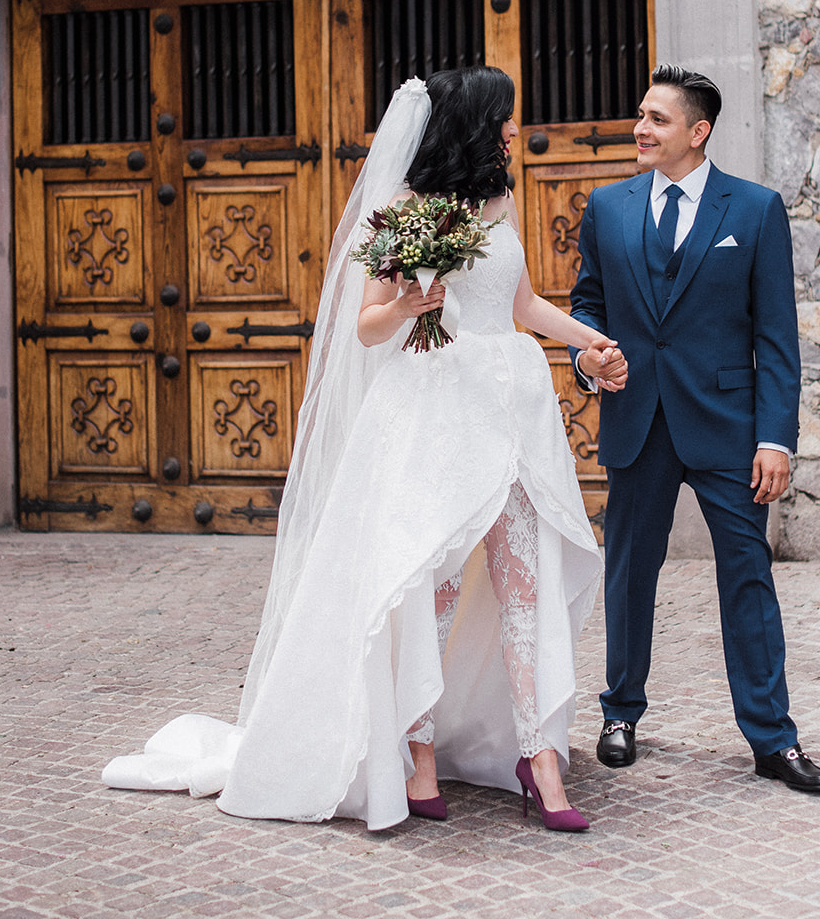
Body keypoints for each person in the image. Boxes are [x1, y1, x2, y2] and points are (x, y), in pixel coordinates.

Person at [104, 68, 627, 831]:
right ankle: (415, 755)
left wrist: (591, 339)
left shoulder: (501, 202)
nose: (517, 128)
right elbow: (367, 326)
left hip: (509, 406)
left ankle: (539, 758)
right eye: (507, 117)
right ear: (475, 123)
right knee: (432, 586)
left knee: (523, 583)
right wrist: (413, 300)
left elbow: (521, 305)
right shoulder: (403, 212)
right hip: (436, 411)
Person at [568, 64, 820, 794]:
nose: (641, 128)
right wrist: (587, 357)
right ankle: (620, 713)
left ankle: (772, 740)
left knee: (747, 579)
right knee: (628, 577)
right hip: (637, 421)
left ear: (698, 131)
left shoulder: (753, 211)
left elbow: (776, 336)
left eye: (657, 119)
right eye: (641, 115)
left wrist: (775, 438)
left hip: (729, 429)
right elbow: (586, 303)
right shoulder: (608, 206)